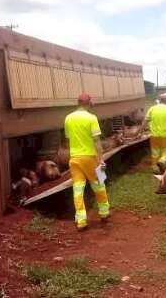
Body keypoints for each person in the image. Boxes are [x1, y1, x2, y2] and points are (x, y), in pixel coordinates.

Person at [64, 93, 110, 231]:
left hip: (74, 158)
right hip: (90, 158)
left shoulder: (68, 118)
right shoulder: (92, 118)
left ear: (78, 103)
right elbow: (96, 141)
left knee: (78, 190)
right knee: (99, 184)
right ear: (89, 103)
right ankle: (104, 212)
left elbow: (68, 138)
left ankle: (81, 220)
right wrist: (101, 159)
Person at [142, 95, 166, 174]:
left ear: (159, 100)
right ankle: (162, 160)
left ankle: (155, 168)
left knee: (155, 152)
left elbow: (145, 120)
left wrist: (141, 130)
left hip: (154, 136)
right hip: (165, 135)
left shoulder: (152, 108)